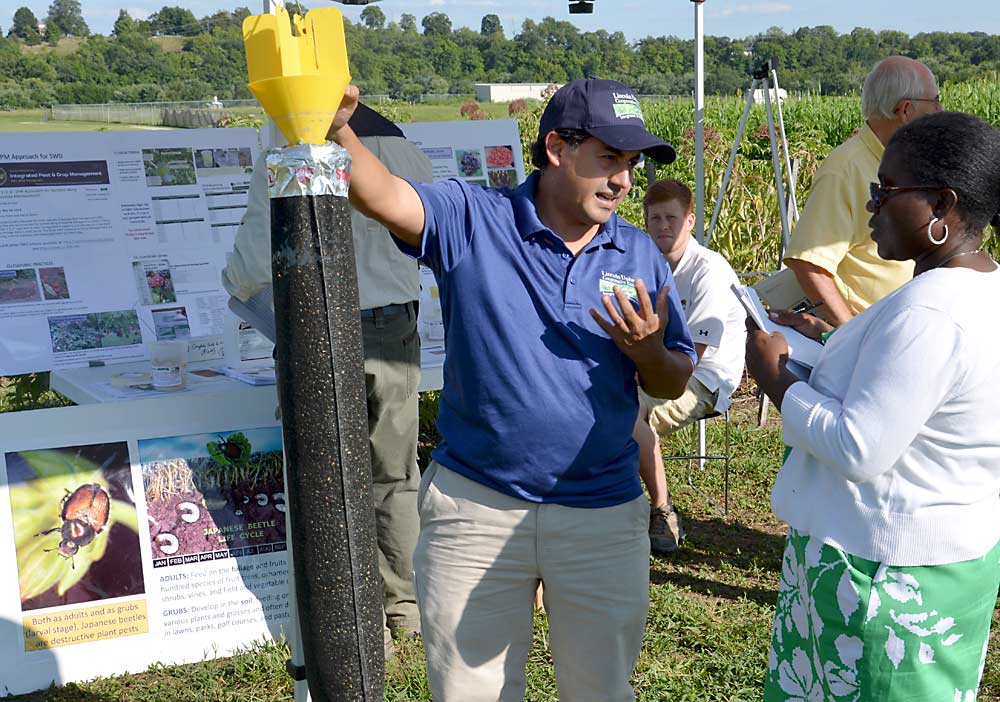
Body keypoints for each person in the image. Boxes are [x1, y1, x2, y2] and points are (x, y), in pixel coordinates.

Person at [327, 78, 697, 701]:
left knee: (601, 689)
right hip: (475, 507)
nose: (623, 182)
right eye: (608, 159)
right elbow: (385, 196)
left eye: (630, 165)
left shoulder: (637, 253)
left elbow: (671, 376)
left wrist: (646, 351)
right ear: (557, 147)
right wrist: (336, 131)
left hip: (602, 512)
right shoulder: (476, 219)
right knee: (471, 690)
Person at [746, 111, 1000, 701]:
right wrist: (825, 338)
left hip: (875, 581)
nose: (871, 207)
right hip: (940, 566)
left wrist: (776, 374)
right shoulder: (979, 290)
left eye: (886, 192)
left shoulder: (929, 312)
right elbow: (913, 396)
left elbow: (858, 445)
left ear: (941, 205)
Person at [220, 103, 432, 652]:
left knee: (328, 478)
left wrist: (237, 284)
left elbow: (248, 265)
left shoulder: (291, 145)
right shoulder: (401, 143)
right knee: (395, 475)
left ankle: (357, 628)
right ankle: (405, 610)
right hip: (396, 329)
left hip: (319, 327)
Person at [783, 56, 942, 326]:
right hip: (875, 334)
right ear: (905, 110)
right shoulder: (844, 170)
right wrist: (850, 333)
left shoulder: (912, 160)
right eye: (935, 100)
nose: (940, 110)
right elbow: (809, 263)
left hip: (912, 326)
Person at [633, 179, 746, 555]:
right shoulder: (650, 266)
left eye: (672, 218)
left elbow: (693, 352)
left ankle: (661, 510)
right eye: (655, 218)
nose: (663, 226)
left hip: (704, 378)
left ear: (691, 220)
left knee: (630, 415)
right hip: (659, 370)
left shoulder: (707, 269)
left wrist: (640, 371)